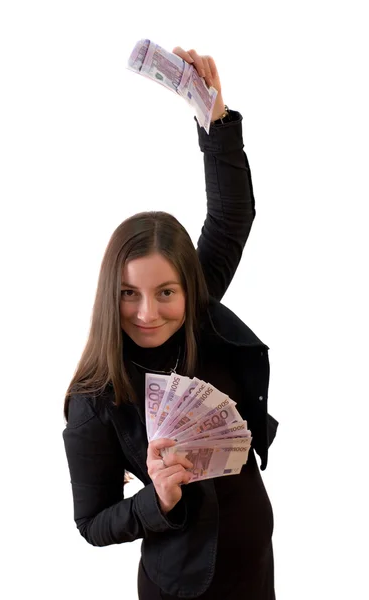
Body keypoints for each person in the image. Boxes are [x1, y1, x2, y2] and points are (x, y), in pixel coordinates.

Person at [62, 46, 279, 599]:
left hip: (255, 566)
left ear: (188, 288)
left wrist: (215, 121)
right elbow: (92, 522)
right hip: (182, 588)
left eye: (166, 292)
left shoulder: (197, 321)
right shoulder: (95, 396)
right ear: (109, 295)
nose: (147, 312)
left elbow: (232, 216)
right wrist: (154, 501)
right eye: (129, 293)